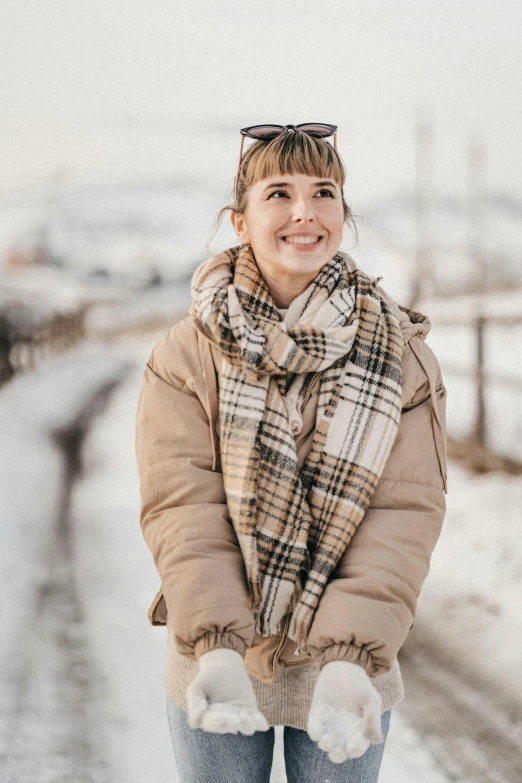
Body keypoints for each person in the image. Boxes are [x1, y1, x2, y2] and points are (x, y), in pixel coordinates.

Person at [135, 124, 448, 783]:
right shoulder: (187, 355)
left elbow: (403, 512)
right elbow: (183, 505)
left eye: (323, 192)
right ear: (240, 222)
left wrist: (345, 656)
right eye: (279, 192)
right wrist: (218, 645)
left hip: (347, 668)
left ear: (343, 214)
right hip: (218, 649)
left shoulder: (401, 355)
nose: (305, 211)